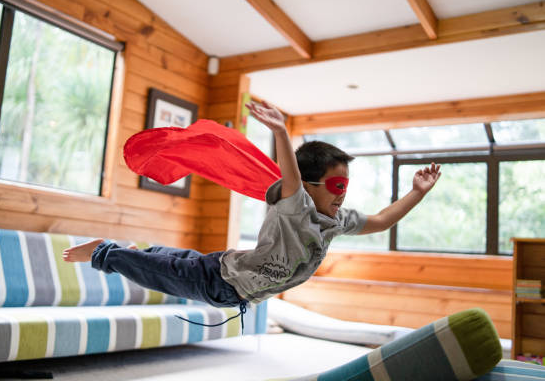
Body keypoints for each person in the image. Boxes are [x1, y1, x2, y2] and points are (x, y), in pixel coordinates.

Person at [62, 100, 441, 327]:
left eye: (346, 186)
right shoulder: (296, 205)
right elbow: (290, 177)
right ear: (310, 185)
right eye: (337, 186)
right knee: (159, 272)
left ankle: (118, 250)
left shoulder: (336, 221)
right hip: (220, 284)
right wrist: (280, 133)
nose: (343, 196)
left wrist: (416, 192)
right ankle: (103, 253)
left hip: (226, 269)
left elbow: (382, 220)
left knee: (168, 259)